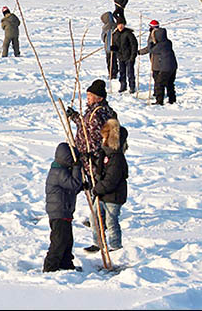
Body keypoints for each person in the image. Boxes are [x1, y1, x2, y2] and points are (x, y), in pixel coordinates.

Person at [85, 118, 128, 253]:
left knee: (111, 221)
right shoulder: (105, 153)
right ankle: (98, 242)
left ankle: (115, 246)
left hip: (113, 196)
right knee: (95, 218)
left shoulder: (117, 158)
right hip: (103, 194)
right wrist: (92, 160)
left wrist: (98, 188)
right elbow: (102, 170)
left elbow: (111, 180)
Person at [43, 142, 83, 272]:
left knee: (67, 241)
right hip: (59, 213)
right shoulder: (59, 172)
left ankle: (65, 264)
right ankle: (50, 267)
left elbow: (70, 189)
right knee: (59, 242)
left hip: (63, 211)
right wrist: (77, 169)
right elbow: (74, 184)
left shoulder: (60, 170)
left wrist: (82, 187)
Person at [66, 80, 117, 158]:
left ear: (100, 99)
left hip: (90, 157)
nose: (88, 97)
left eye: (90, 95)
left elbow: (96, 138)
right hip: (87, 154)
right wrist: (74, 115)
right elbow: (86, 125)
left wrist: (90, 155)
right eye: (87, 95)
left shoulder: (98, 113)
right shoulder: (95, 110)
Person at [146, 27, 178, 105]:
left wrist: (150, 43)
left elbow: (151, 50)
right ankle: (172, 99)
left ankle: (159, 101)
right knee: (170, 83)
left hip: (165, 68)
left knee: (159, 84)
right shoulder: (168, 42)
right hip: (173, 66)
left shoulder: (160, 45)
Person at [110, 19, 137, 93]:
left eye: (122, 24)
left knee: (130, 73)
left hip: (129, 56)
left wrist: (133, 56)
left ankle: (132, 87)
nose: (120, 26)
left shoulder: (129, 34)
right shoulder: (115, 34)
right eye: (119, 24)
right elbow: (115, 45)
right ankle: (123, 86)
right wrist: (113, 48)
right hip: (121, 57)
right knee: (122, 72)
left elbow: (134, 45)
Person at [100, 12, 118, 79]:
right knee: (115, 60)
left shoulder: (106, 27)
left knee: (109, 60)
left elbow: (103, 37)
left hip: (108, 47)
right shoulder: (116, 25)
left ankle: (112, 74)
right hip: (116, 46)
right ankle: (115, 72)